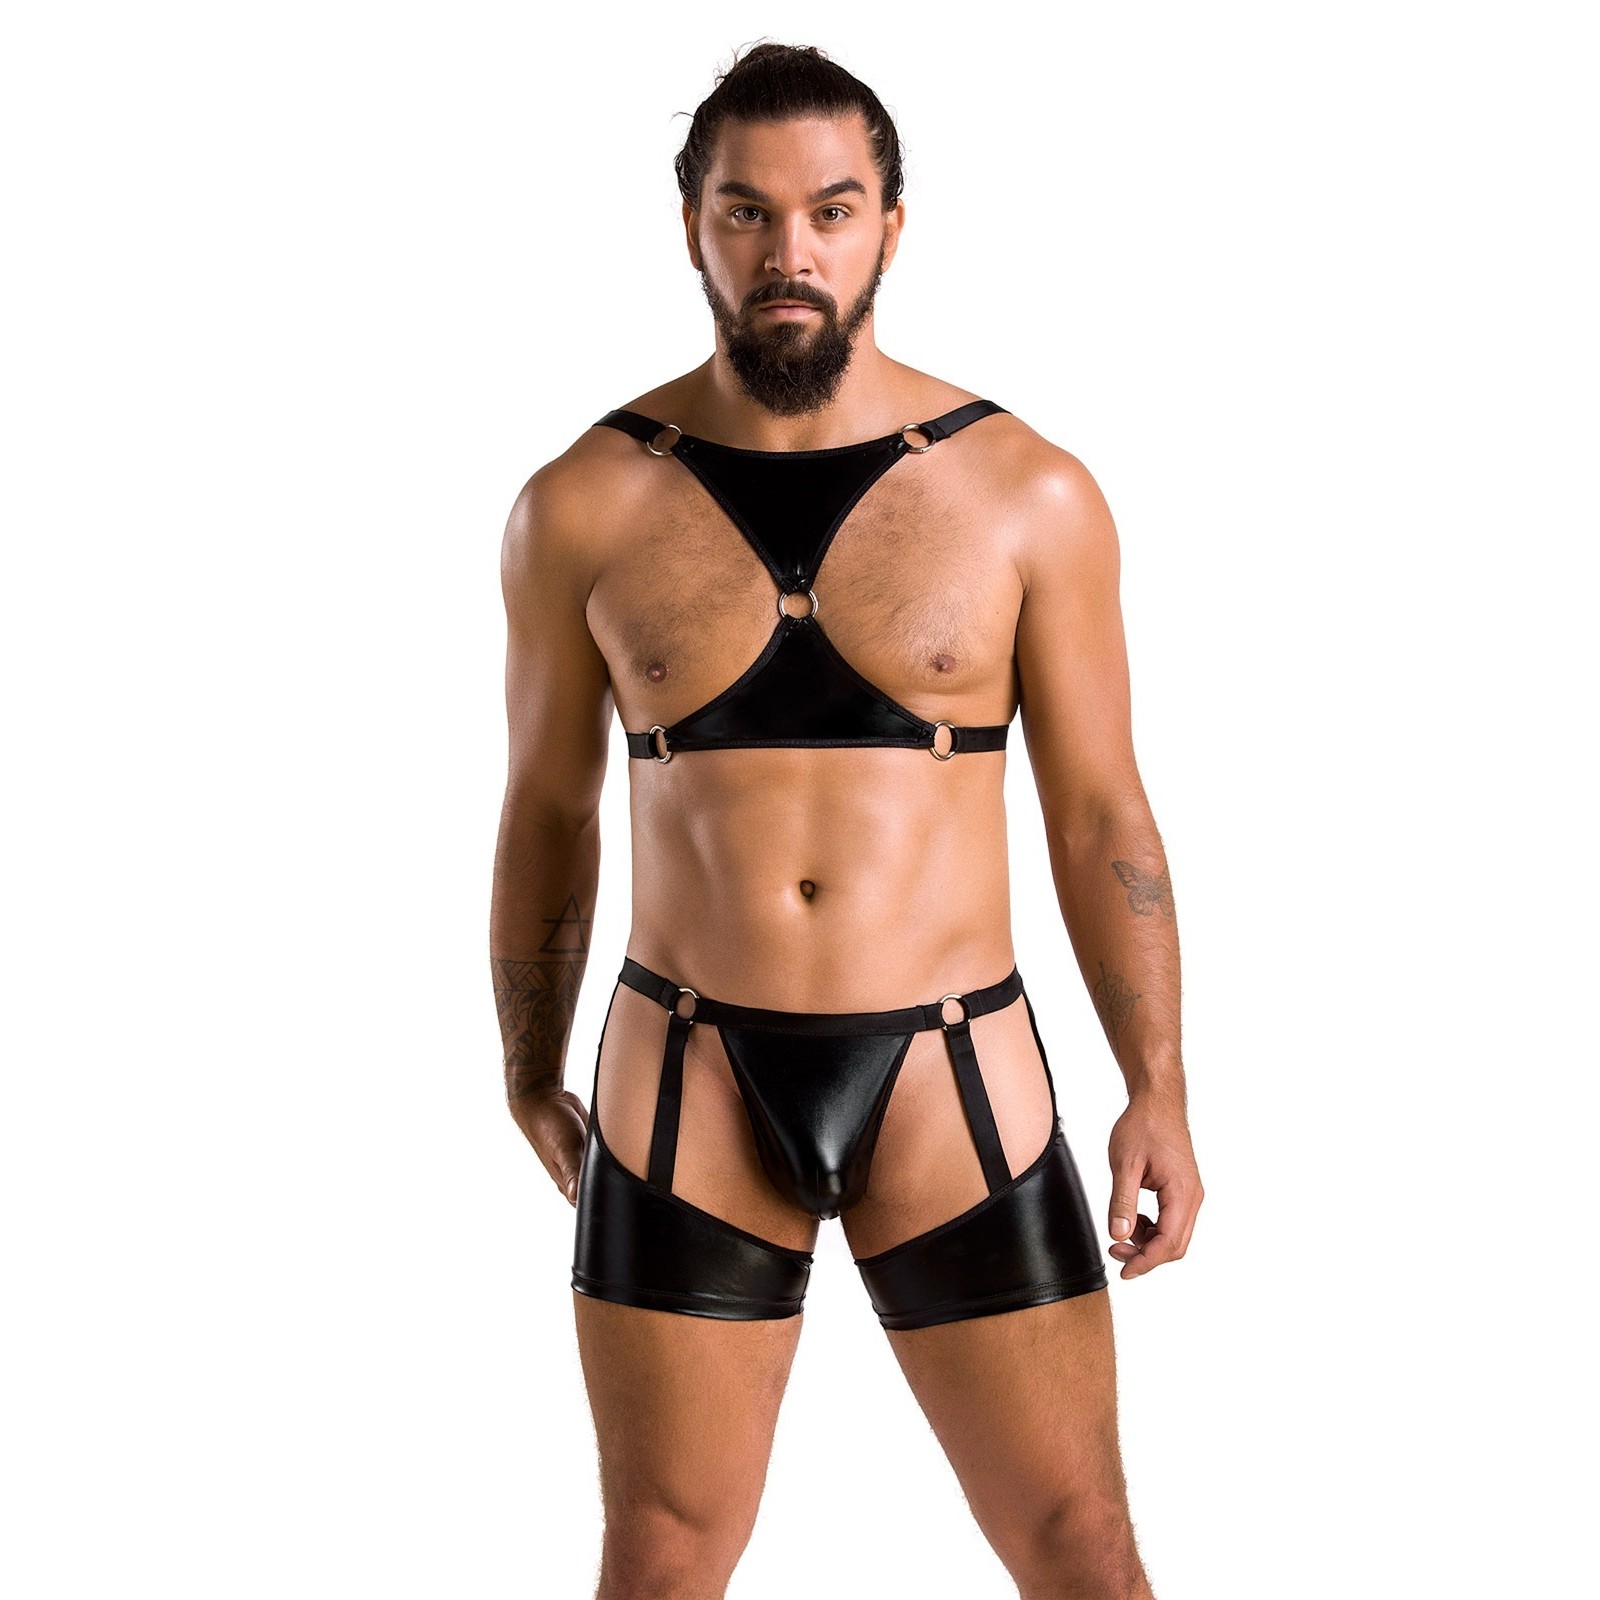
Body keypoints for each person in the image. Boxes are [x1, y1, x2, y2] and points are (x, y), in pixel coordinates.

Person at [489, 40, 1202, 1600]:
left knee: (1080, 1545)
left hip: (956, 1068)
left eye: (829, 210)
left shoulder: (1030, 494)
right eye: (747, 213)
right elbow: (546, 808)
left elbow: (1100, 809)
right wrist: (525, 1066)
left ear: (890, 225)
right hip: (687, 1066)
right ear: (693, 226)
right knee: (662, 1556)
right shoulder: (582, 504)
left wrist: (1157, 1082)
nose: (789, 252)